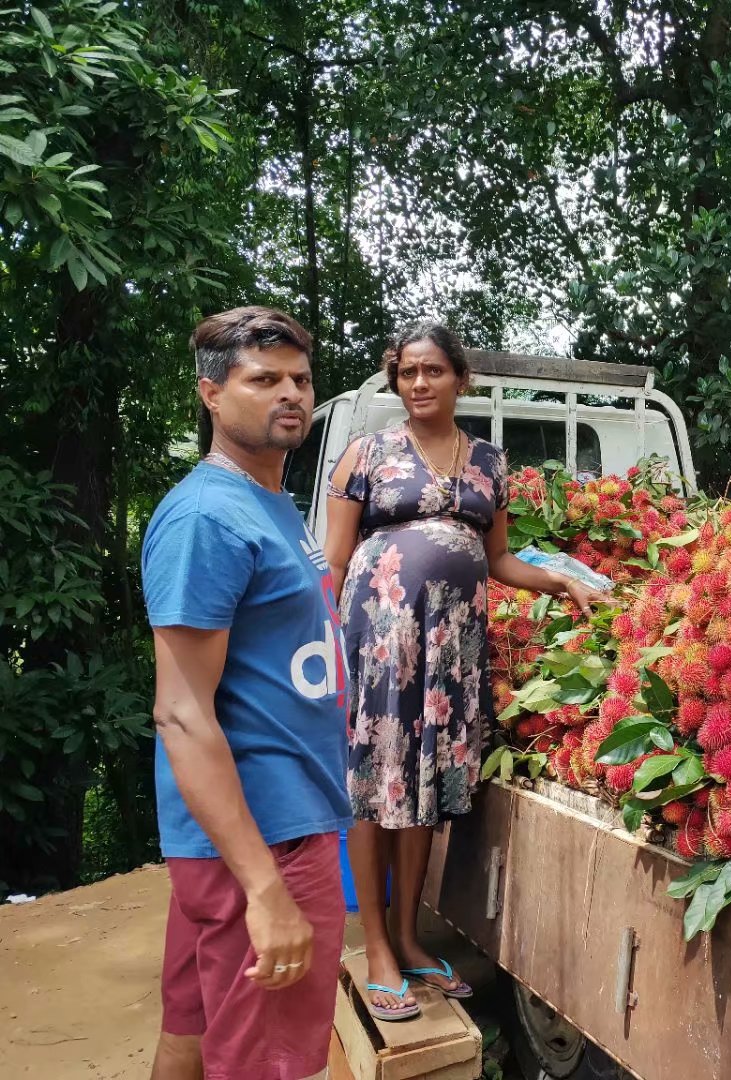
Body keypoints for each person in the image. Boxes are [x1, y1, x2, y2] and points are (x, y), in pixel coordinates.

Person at [324, 320, 611, 1020]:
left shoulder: (488, 461)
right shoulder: (368, 452)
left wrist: (560, 584)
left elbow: (497, 559)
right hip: (380, 641)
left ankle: (410, 935)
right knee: (375, 783)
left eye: (431, 370)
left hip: (452, 643)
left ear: (460, 378)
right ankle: (378, 947)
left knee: (422, 785)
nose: (417, 383)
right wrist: (326, 649)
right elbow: (333, 561)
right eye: (406, 372)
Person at [143, 307, 351, 1080]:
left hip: (260, 828)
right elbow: (181, 711)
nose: (288, 393)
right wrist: (264, 887)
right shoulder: (206, 517)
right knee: (274, 1062)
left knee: (194, 1035)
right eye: (263, 379)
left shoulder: (271, 505)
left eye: (299, 378)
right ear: (211, 394)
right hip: (268, 836)